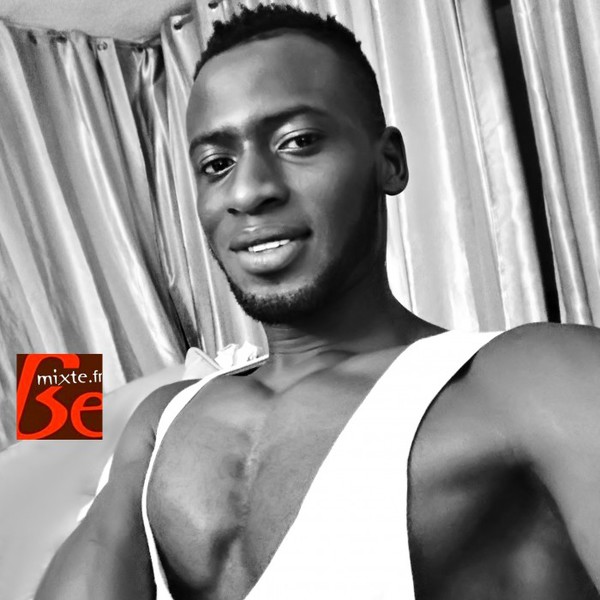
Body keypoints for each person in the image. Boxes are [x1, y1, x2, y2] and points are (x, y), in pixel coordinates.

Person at [36, 4, 600, 599]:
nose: (248, 191)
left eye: (298, 141)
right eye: (216, 164)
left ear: (389, 162)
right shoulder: (161, 418)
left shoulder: (536, 375)